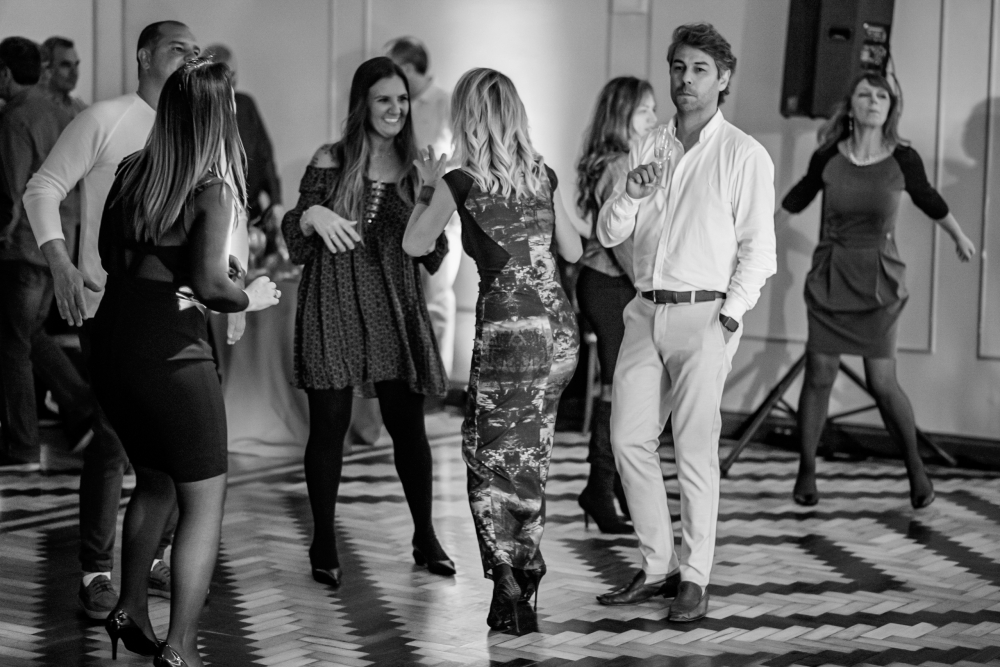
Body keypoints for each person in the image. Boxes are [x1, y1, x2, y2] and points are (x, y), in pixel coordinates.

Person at [91, 58, 280, 667]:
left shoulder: (131, 170)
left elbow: (113, 255)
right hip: (172, 355)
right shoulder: (211, 189)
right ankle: (182, 648)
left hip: (113, 347)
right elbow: (208, 285)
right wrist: (250, 295)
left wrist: (202, 270)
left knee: (154, 480)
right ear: (217, 116)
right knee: (203, 500)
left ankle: (129, 609)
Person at [595, 23, 776, 622]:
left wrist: (727, 320)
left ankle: (696, 577)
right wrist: (630, 194)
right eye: (678, 67)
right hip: (645, 310)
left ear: (723, 79)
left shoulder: (743, 154)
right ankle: (659, 567)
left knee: (694, 448)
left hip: (705, 314)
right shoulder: (649, 146)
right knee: (628, 440)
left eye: (700, 69)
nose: (686, 79)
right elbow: (608, 232)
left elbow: (759, 252)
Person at [24, 20, 202, 621]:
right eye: (178, 49)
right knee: (111, 437)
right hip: (109, 306)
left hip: (181, 309)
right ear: (145, 57)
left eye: (196, 51)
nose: (190, 58)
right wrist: (61, 265)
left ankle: (153, 555)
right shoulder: (105, 118)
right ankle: (96, 571)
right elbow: (43, 188)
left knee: (178, 442)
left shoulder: (196, 127)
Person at [403, 67, 583, 634]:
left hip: (511, 333)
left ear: (467, 116)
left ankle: (506, 571)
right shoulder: (543, 174)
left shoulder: (460, 181)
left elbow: (414, 243)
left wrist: (427, 189)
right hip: (559, 333)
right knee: (531, 456)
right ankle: (526, 575)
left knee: (488, 456)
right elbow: (573, 249)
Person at [281, 56, 454, 592]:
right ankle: (323, 541)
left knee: (409, 429)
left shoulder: (417, 168)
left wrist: (433, 197)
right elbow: (295, 238)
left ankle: (426, 535)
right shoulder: (330, 160)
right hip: (333, 298)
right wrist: (312, 215)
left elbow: (433, 255)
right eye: (384, 99)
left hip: (394, 305)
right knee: (328, 427)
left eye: (402, 99)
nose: (396, 109)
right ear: (363, 104)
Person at [780, 73, 976, 509]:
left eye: (881, 96)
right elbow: (797, 197)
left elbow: (929, 199)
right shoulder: (828, 155)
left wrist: (959, 236)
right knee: (819, 371)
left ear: (890, 107)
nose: (873, 101)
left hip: (879, 280)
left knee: (882, 381)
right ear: (850, 105)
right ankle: (807, 470)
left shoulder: (904, 158)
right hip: (831, 274)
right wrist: (752, 239)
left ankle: (916, 469)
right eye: (865, 94)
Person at [0, 36, 93, 472]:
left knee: (13, 344)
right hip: (59, 243)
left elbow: (13, 189)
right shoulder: (65, 114)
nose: (72, 72)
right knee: (30, 335)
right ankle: (85, 407)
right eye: (65, 64)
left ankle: (22, 444)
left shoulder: (17, 116)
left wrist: (4, 233)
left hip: (25, 245)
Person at [573, 76, 657, 534]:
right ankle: (601, 489)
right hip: (610, 284)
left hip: (611, 283)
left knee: (624, 388)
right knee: (618, 389)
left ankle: (612, 488)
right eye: (645, 110)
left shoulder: (618, 160)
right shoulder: (619, 164)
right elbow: (621, 242)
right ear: (621, 115)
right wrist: (653, 286)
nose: (654, 118)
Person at [386, 36, 461, 382]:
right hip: (399, 209)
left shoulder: (446, 103)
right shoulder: (397, 105)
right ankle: (407, 373)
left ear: (407, 67)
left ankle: (437, 378)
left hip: (439, 211)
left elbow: (461, 156)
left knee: (436, 294)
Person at [200, 44, 283, 228]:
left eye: (233, 75)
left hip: (252, 210)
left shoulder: (245, 104)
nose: (231, 82)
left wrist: (276, 200)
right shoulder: (196, 112)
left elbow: (265, 153)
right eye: (225, 76)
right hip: (215, 215)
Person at [38, 36, 86, 116]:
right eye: (66, 65)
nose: (74, 73)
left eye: (76, 64)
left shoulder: (79, 109)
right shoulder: (35, 109)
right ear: (47, 68)